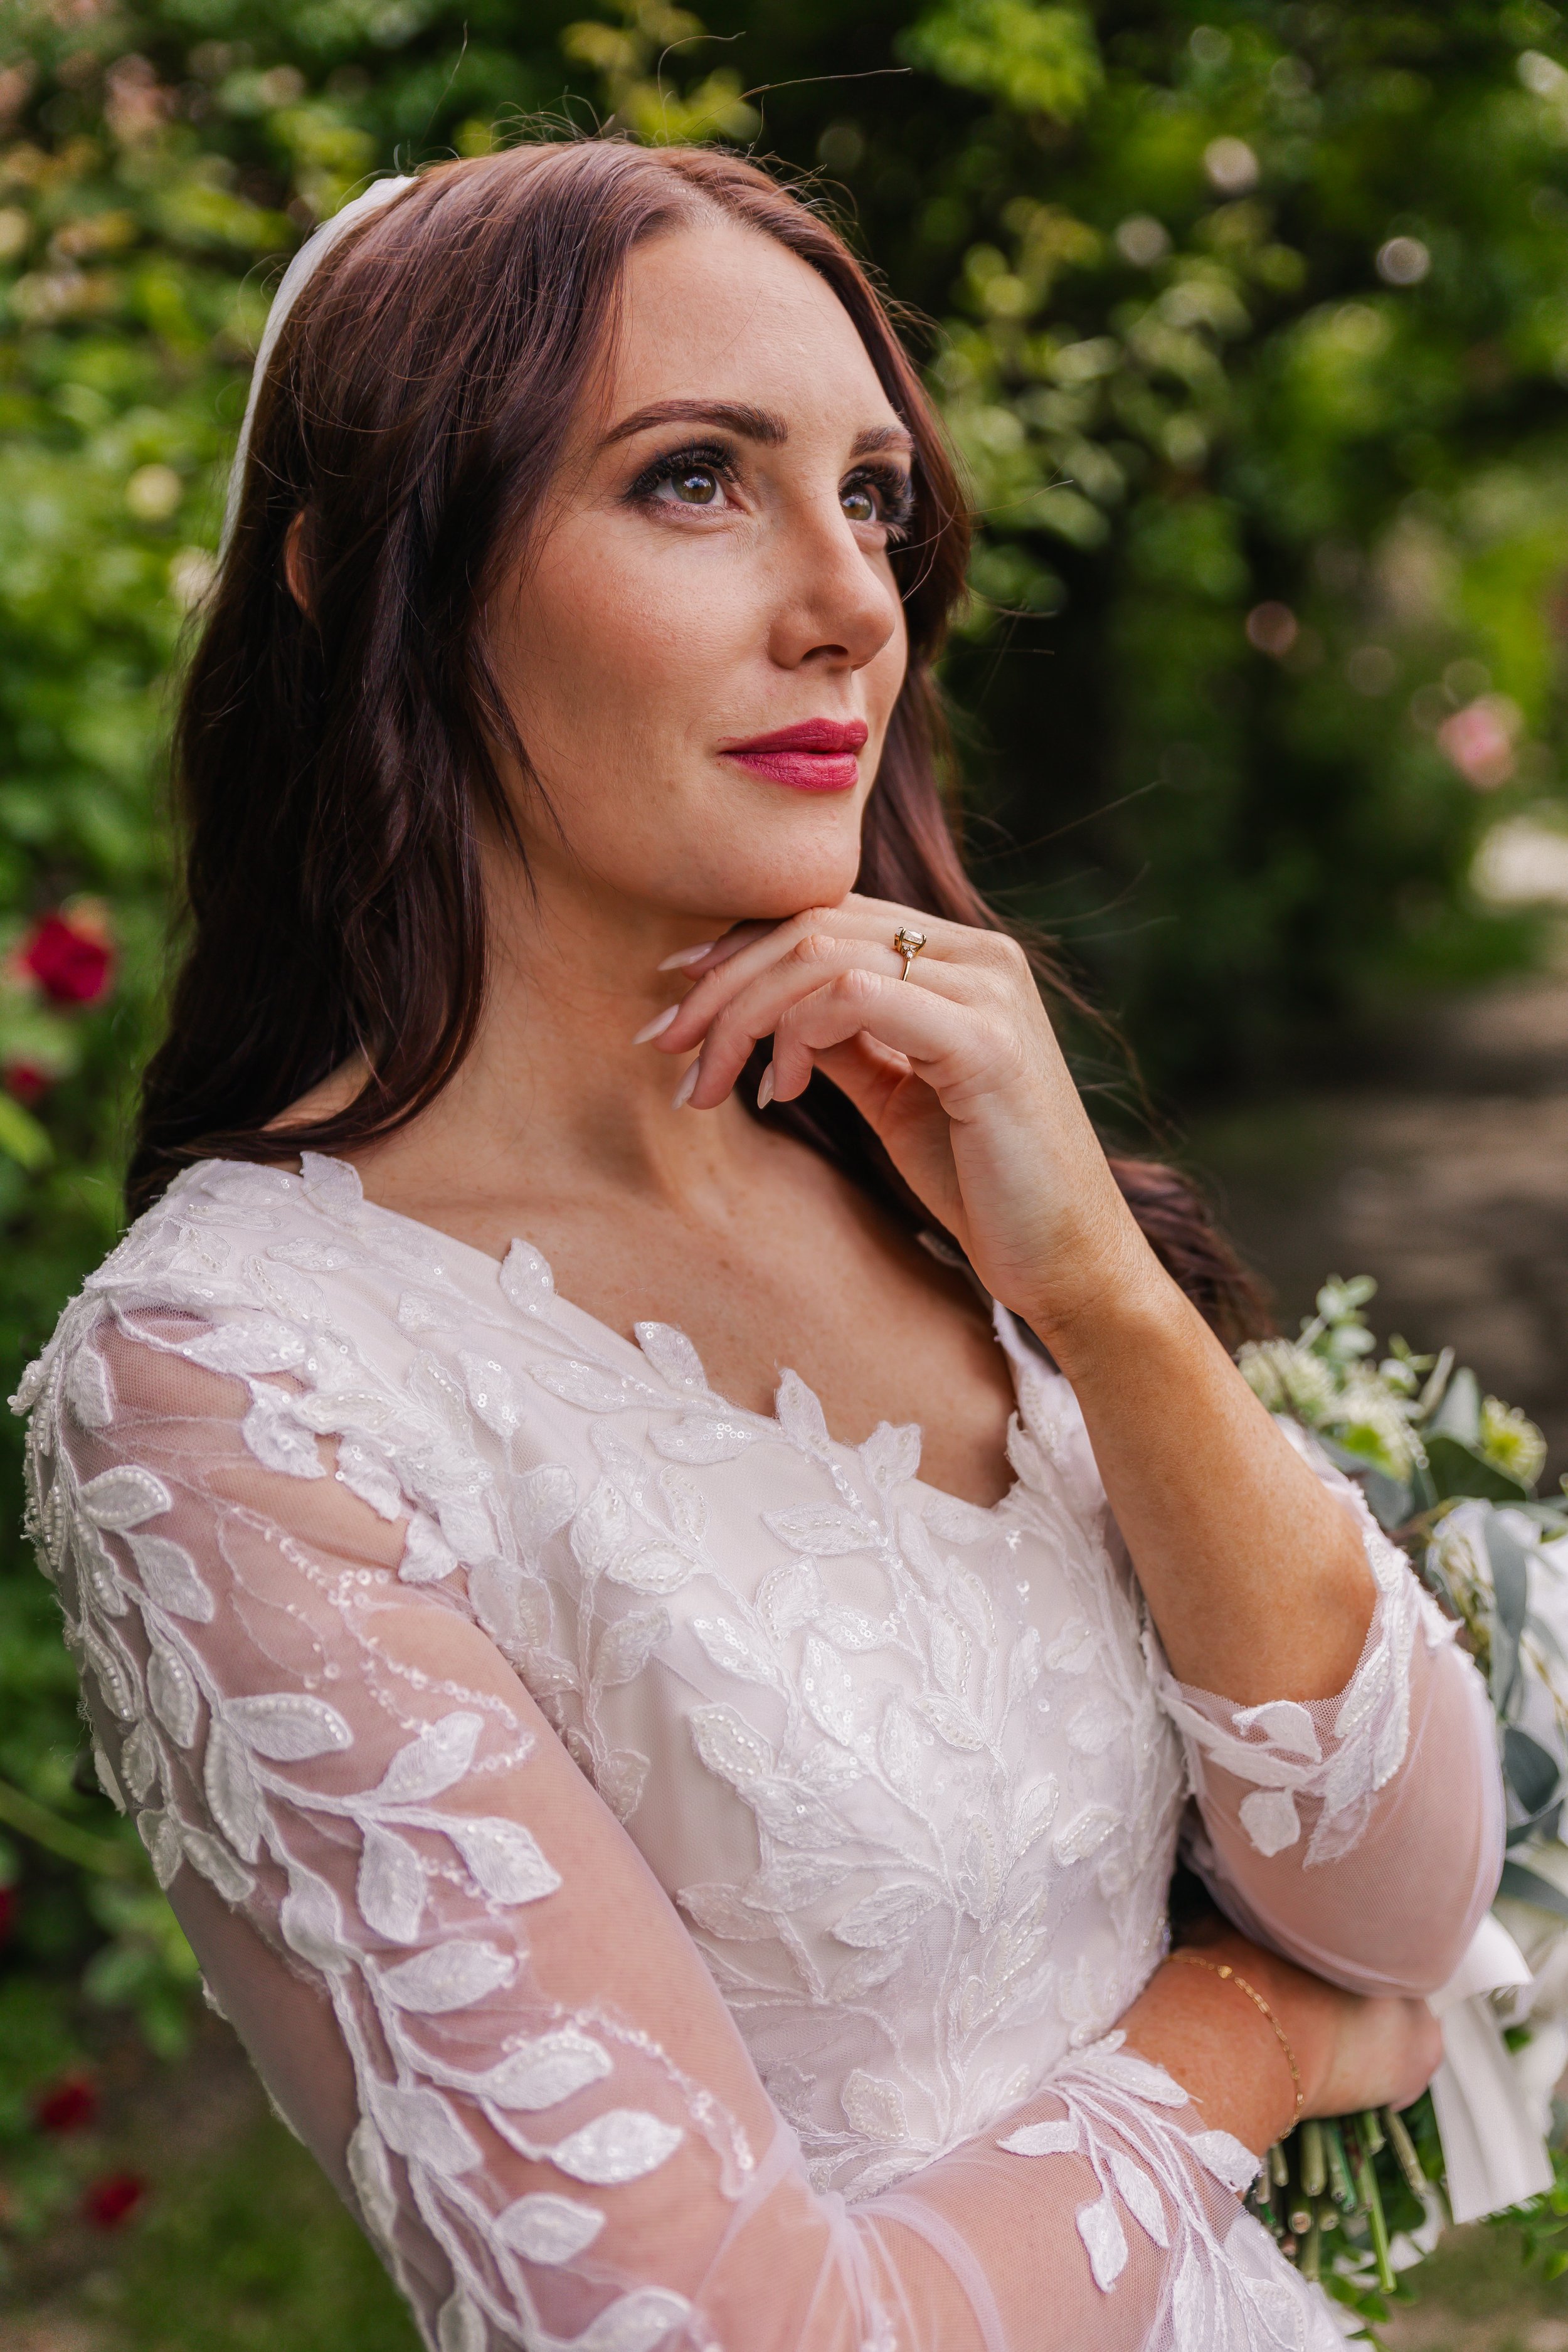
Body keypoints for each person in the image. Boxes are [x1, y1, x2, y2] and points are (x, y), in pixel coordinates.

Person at [16, 140, 1499, 2351]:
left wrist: (1092, 1284)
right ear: (366, 577)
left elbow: (1399, 1892)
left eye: (875, 496)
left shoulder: (920, 1180)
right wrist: (1251, 2051)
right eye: (695, 479)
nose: (846, 600)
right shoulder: (236, 1381)